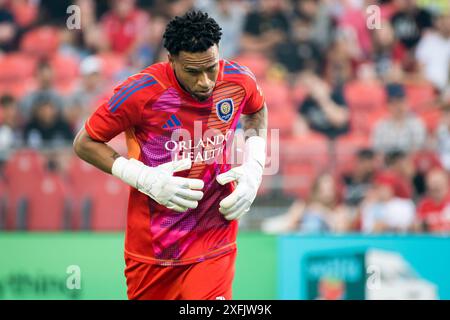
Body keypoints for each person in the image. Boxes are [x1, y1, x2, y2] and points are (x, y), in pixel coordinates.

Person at [73, 10, 268, 300]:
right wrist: (142, 178)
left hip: (214, 235)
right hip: (152, 248)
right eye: (192, 71)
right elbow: (85, 142)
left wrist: (254, 165)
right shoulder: (140, 92)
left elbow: (256, 110)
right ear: (171, 60)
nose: (204, 81)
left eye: (211, 68)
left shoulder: (238, 81)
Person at [372, 82, 426, 153]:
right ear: (388, 105)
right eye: (393, 103)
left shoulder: (416, 123)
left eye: (400, 101)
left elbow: (418, 150)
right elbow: (377, 152)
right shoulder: (381, 126)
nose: (398, 106)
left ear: (407, 101)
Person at [416, 168, 450, 233]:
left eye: (438, 182)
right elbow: (417, 226)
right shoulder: (424, 204)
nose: (435, 185)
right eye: (433, 183)